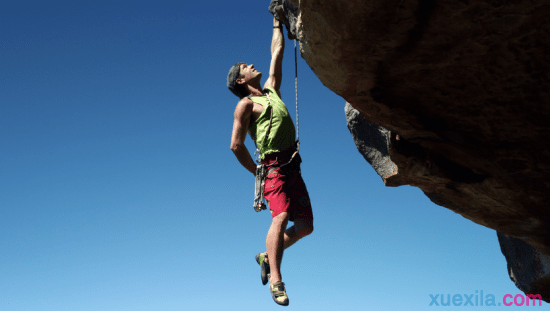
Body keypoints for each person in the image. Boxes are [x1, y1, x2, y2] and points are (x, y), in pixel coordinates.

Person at [226, 13, 314, 307]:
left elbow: (277, 52)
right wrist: (257, 173)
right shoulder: (245, 105)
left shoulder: (271, 92)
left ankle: (266, 255)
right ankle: (276, 279)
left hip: (293, 167)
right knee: (281, 216)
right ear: (240, 80)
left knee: (305, 226)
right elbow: (236, 146)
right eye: (245, 67)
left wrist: (277, 21)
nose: (252, 65)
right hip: (273, 168)